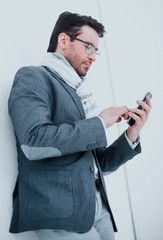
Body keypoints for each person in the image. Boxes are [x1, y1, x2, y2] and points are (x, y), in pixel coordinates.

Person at [8, 11, 151, 240]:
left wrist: (131, 135)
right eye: (88, 47)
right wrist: (100, 122)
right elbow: (33, 143)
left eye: (96, 50)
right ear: (64, 41)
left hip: (97, 209)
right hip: (59, 209)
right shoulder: (32, 77)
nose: (94, 57)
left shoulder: (79, 92)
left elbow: (96, 164)